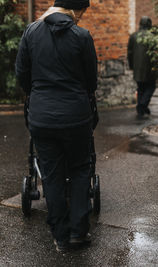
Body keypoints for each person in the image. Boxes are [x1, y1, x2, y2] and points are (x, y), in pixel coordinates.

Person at [15, 0, 97, 253]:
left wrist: (38, 96)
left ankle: (60, 236)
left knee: (51, 175)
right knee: (81, 169)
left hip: (42, 116)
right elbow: (91, 80)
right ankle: (78, 232)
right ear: (74, 10)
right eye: (82, 11)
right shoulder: (82, 36)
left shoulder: (31, 31)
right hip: (76, 116)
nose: (82, 17)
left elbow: (21, 73)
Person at [127, 16, 156, 118]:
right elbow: (156, 54)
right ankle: (142, 105)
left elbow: (129, 53)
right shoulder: (153, 37)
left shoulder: (133, 36)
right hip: (150, 68)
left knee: (141, 88)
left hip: (137, 68)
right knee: (151, 87)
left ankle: (141, 108)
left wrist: (131, 66)